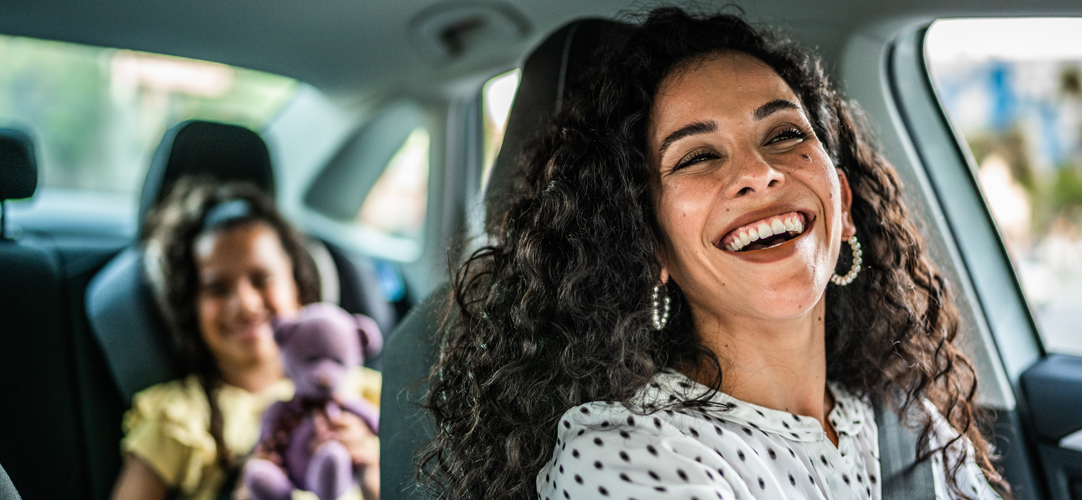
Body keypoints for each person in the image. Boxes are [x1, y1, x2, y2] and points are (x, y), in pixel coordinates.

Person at [421, 7, 1009, 500]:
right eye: (697, 156)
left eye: (784, 134)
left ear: (845, 204)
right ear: (651, 246)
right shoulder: (626, 458)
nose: (759, 172)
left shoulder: (914, 427)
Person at [109, 179, 380, 500]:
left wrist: (373, 472)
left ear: (299, 285)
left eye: (261, 279)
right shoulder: (179, 419)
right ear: (190, 308)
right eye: (217, 289)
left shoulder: (366, 395)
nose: (245, 304)